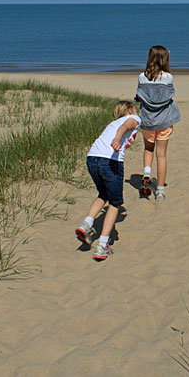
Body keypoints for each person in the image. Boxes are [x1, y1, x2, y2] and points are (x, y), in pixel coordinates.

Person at [75, 101, 140, 261]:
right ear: (130, 110)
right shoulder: (134, 119)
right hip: (109, 162)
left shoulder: (112, 122)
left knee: (102, 194)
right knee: (114, 203)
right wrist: (118, 139)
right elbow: (125, 127)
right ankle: (103, 245)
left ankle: (86, 224)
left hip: (92, 158)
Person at [135, 45, 181, 202]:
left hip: (148, 120)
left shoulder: (142, 77)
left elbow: (140, 96)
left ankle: (147, 172)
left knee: (148, 149)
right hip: (164, 121)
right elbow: (168, 96)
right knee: (161, 155)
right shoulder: (168, 77)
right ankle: (160, 190)